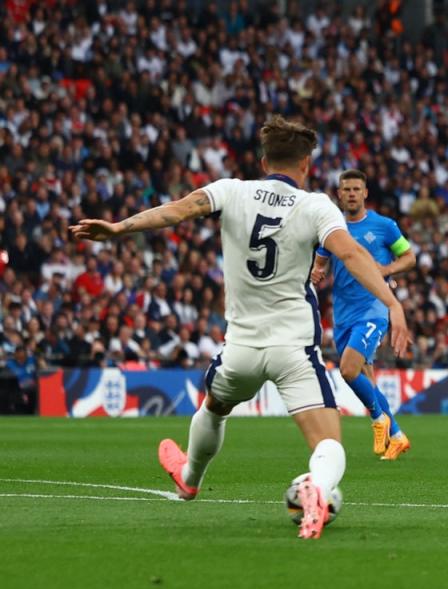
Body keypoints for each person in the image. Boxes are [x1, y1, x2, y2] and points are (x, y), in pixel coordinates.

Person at [70, 116, 410, 540]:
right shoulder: (317, 205)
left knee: (213, 406)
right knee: (329, 445)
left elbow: (177, 211)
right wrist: (393, 302)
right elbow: (354, 255)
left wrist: (120, 227)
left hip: (241, 347)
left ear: (264, 160)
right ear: (306, 163)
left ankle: (190, 477)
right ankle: (316, 489)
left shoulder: (230, 190)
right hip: (294, 349)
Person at [310, 169, 416, 460]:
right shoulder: (332, 229)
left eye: (357, 189)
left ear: (365, 193)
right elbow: (320, 262)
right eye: (347, 189)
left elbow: (409, 257)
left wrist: (386, 270)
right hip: (343, 314)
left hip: (373, 309)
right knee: (364, 376)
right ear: (340, 194)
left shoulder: (384, 226)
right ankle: (396, 435)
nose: (352, 194)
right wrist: (317, 271)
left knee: (348, 369)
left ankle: (377, 418)